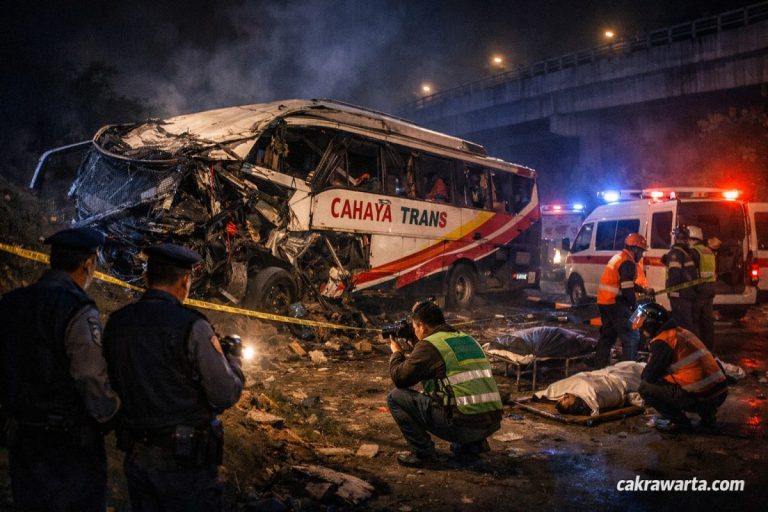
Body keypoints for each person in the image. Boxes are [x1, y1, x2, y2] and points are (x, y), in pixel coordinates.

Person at [103, 244, 244, 511]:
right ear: (185, 281)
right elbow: (224, 393)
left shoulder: (118, 323)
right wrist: (234, 362)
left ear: (146, 278)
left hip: (137, 454)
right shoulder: (192, 326)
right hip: (185, 463)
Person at [0, 227, 121, 511]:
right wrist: (111, 413)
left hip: (23, 437)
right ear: (88, 263)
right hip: (67, 444)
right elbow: (90, 375)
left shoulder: (12, 303)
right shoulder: (77, 308)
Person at [387, 300, 502, 467]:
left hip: (464, 427)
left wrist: (397, 353)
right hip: (491, 422)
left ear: (422, 327)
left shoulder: (430, 345)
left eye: (415, 328)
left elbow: (400, 378)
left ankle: (423, 454)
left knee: (396, 397)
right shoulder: (467, 339)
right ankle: (472, 447)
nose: (414, 332)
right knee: (462, 395)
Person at [632, 302, 728, 433]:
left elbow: (649, 376)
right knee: (685, 376)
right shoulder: (681, 332)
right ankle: (708, 415)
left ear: (651, 324)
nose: (643, 332)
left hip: (701, 398)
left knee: (645, 388)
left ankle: (680, 422)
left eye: (643, 327)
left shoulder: (664, 341)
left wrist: (655, 367)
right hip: (719, 393)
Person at [595, 233, 651, 368]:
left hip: (605, 301)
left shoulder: (619, 257)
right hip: (616, 304)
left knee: (607, 337)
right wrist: (635, 306)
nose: (642, 255)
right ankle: (627, 372)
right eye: (642, 252)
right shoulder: (628, 262)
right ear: (636, 249)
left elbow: (626, 282)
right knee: (632, 337)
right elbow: (627, 288)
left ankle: (599, 367)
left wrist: (643, 290)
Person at [662, 225, 697, 332]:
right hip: (688, 293)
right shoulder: (688, 253)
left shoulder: (675, 253)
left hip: (679, 295)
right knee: (688, 324)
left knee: (682, 326)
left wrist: (672, 291)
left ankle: (685, 347)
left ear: (676, 238)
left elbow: (675, 274)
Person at [687, 225, 717, 350]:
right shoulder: (708, 251)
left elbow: (692, 272)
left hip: (700, 288)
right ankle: (709, 348)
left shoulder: (694, 252)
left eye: (688, 239)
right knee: (707, 319)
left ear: (692, 239)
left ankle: (697, 349)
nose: (687, 242)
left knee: (695, 318)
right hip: (711, 287)